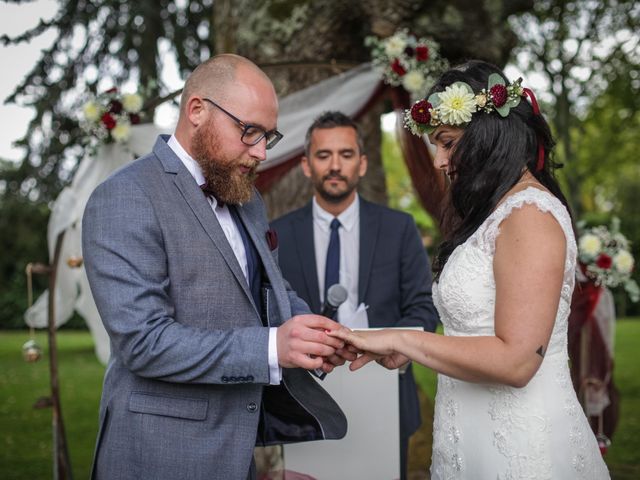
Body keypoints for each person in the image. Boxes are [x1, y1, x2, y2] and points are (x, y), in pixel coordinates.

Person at [331, 61, 611, 479]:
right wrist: (408, 349)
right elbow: (477, 337)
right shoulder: (495, 213)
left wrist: (403, 338)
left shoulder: (530, 214)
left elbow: (517, 362)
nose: (440, 162)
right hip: (469, 437)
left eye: (447, 142)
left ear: (487, 134)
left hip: (523, 451)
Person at [82, 54, 351, 480]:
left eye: (269, 136)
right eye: (249, 131)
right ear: (197, 111)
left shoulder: (248, 199)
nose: (261, 151)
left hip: (235, 450)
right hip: (156, 456)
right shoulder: (125, 197)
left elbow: (267, 289)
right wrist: (271, 347)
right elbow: (143, 342)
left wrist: (318, 335)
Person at [271, 111, 439, 479]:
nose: (335, 166)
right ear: (305, 165)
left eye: (346, 155)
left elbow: (423, 307)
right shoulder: (277, 234)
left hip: (384, 389)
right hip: (306, 396)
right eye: (323, 155)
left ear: (362, 165)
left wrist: (399, 346)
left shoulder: (399, 228)